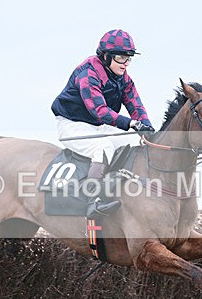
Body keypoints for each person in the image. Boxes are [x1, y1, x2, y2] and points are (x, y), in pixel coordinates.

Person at [51, 29, 155, 217]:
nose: (126, 64)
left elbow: (136, 105)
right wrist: (131, 124)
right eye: (121, 58)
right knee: (104, 148)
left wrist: (146, 126)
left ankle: (118, 190)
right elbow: (99, 111)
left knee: (131, 143)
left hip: (97, 125)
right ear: (106, 56)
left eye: (129, 58)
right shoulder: (88, 73)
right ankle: (92, 200)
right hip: (72, 124)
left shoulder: (124, 78)